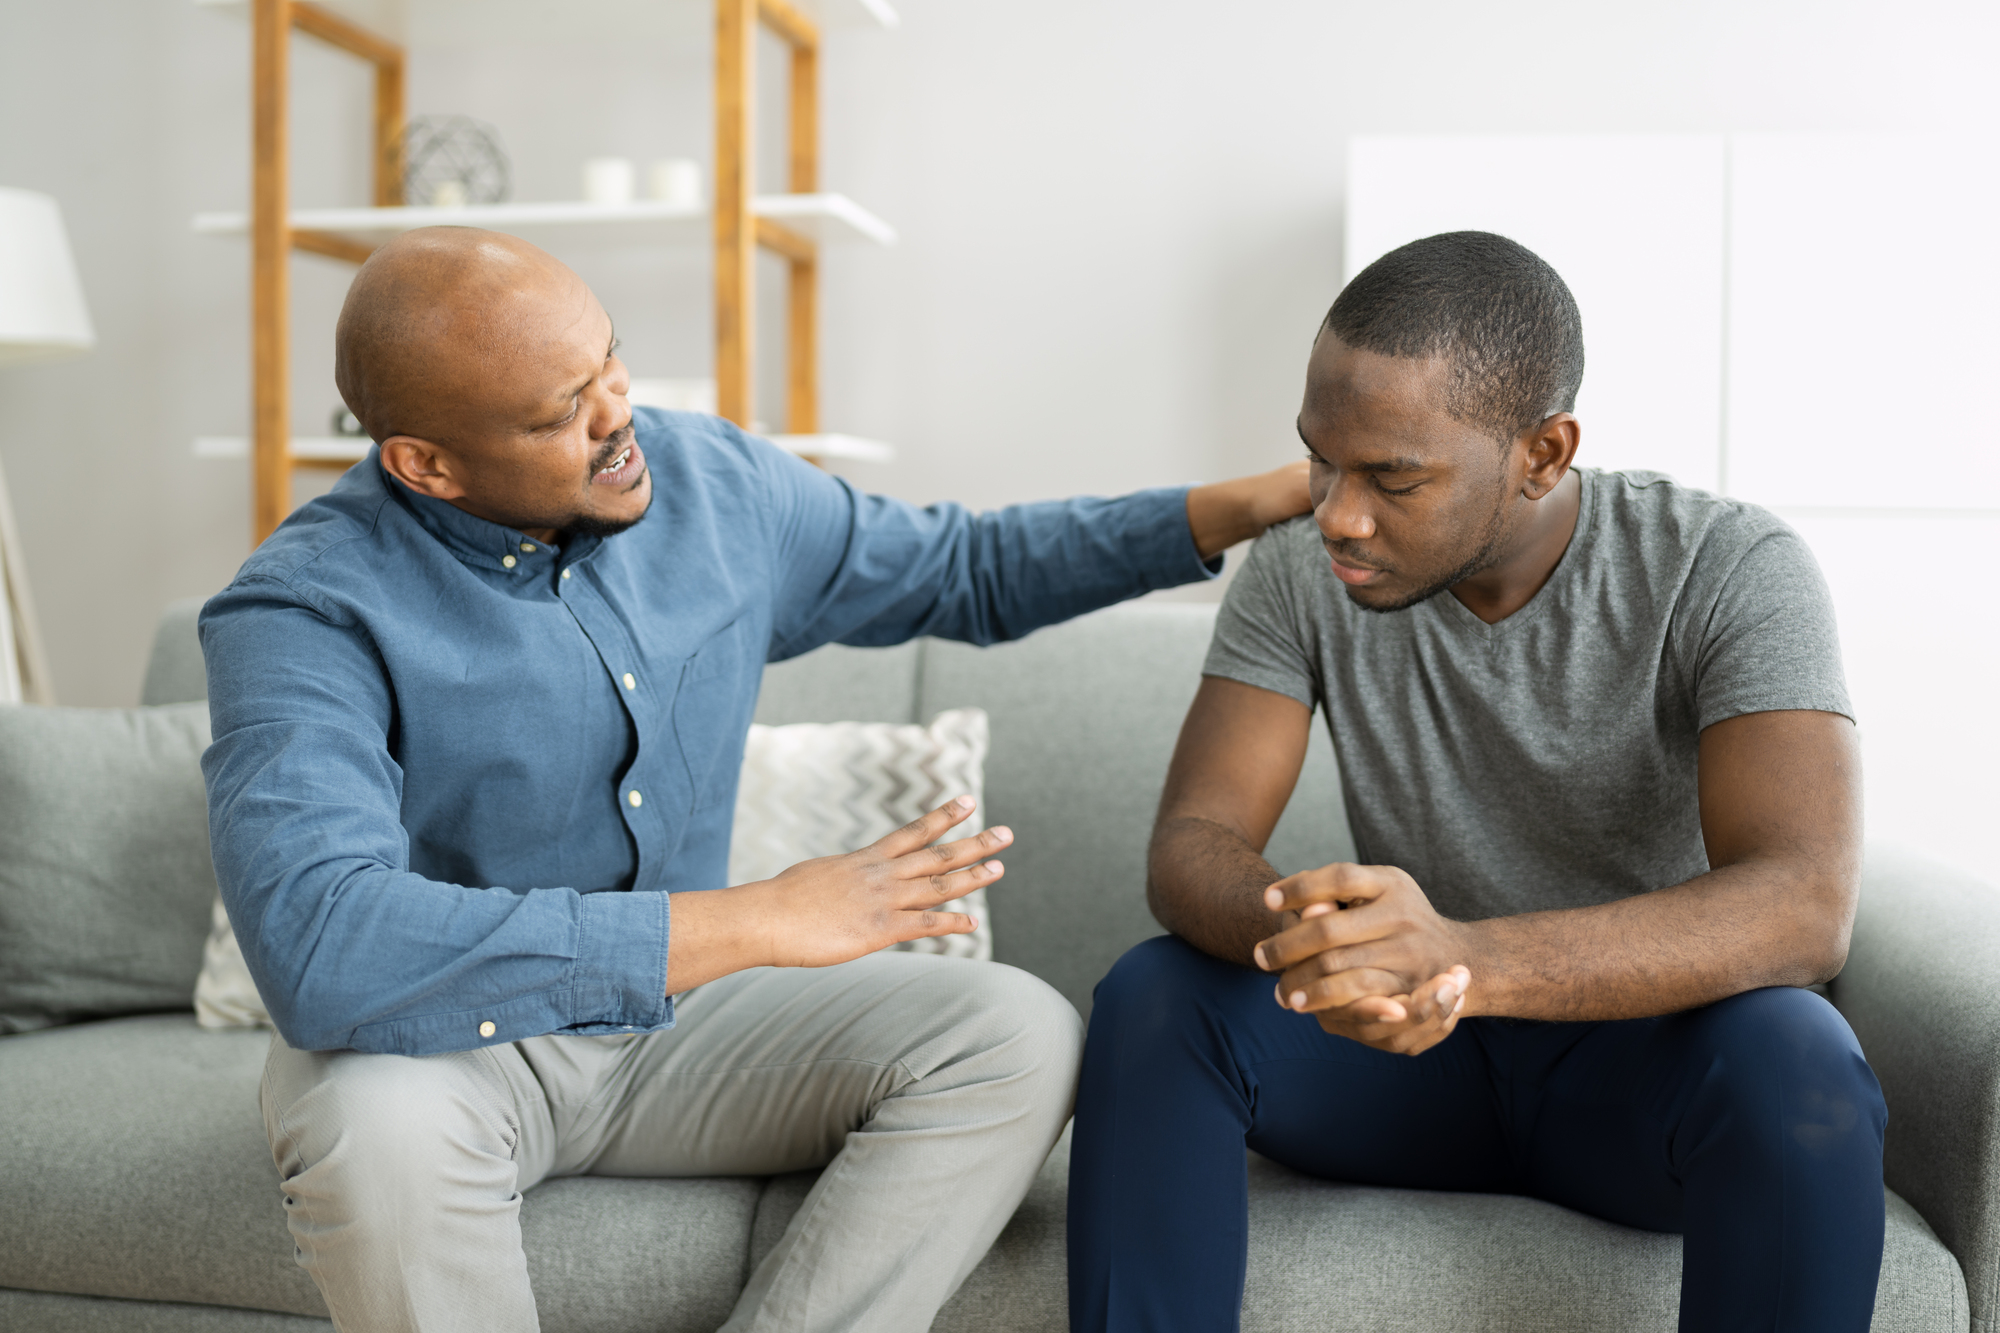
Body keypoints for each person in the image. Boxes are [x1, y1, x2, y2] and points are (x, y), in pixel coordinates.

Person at [197, 226, 1311, 1333]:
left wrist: (1245, 504)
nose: (615, 414)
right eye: (558, 412)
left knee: (1014, 1032)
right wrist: (760, 918)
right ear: (424, 463)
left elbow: (963, 568)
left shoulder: (713, 484)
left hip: (684, 1031)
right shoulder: (303, 609)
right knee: (365, 1124)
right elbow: (320, 943)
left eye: (609, 362)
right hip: (450, 1047)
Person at [1067, 231, 1885, 1332]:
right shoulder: (1305, 567)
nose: (1336, 514)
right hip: (1403, 1071)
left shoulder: (1725, 566)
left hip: (1637, 1077)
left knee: (1795, 1055)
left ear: (1541, 454)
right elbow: (1194, 837)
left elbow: (1799, 901)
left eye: (1391, 477)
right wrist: (1340, 946)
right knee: (1155, 994)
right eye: (1320, 459)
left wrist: (1463, 960)